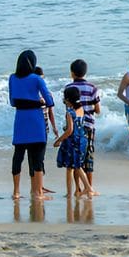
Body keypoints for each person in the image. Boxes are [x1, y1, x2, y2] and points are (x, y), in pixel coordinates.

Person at [9, 50, 55, 200]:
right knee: (37, 158)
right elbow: (50, 101)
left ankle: (16, 192)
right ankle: (37, 192)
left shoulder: (12, 78)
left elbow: (12, 102)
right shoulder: (36, 79)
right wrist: (39, 101)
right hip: (35, 121)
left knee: (18, 156)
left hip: (20, 120)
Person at [67, 59, 102, 191]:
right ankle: (90, 187)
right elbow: (98, 110)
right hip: (88, 125)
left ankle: (77, 189)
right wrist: (90, 109)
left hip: (74, 126)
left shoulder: (68, 88)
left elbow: (69, 109)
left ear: (72, 73)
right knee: (88, 156)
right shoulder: (92, 88)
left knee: (76, 158)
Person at [54, 86, 94, 197]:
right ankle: (84, 189)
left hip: (72, 142)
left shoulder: (70, 112)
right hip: (82, 140)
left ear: (67, 100)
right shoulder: (81, 109)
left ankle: (81, 189)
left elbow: (70, 130)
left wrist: (58, 140)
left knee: (71, 168)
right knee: (77, 165)